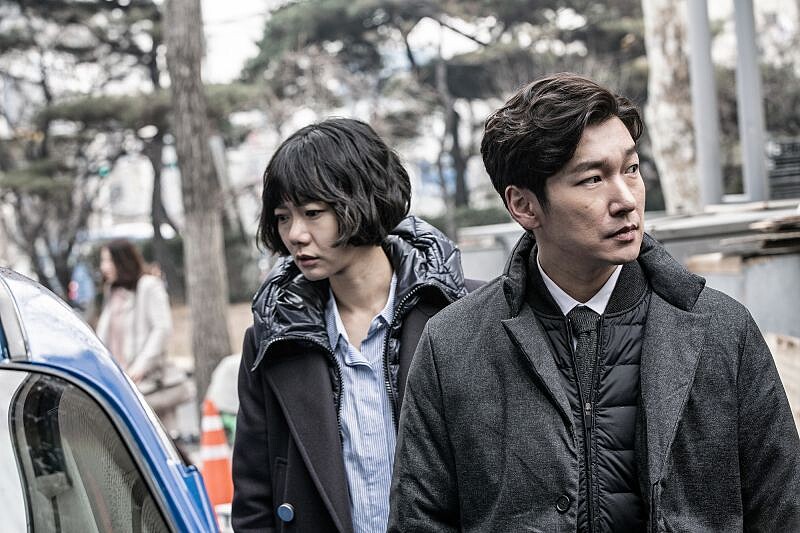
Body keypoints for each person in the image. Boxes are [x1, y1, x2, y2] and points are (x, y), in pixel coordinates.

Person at [388, 73, 800, 532]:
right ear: (524, 205)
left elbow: (782, 507)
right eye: (592, 179)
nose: (626, 200)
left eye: (631, 169)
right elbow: (419, 519)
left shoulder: (720, 328)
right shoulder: (453, 344)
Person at [231, 117, 475, 533]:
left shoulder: (465, 312)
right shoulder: (273, 337)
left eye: (312, 213)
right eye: (283, 217)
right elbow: (254, 498)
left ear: (363, 200)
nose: (295, 235)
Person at [95, 239, 186, 431]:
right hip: (121, 383)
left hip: (148, 382)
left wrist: (140, 367)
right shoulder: (112, 291)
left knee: (158, 437)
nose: (103, 267)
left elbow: (162, 328)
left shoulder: (148, 286)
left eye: (108, 261)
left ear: (123, 261)